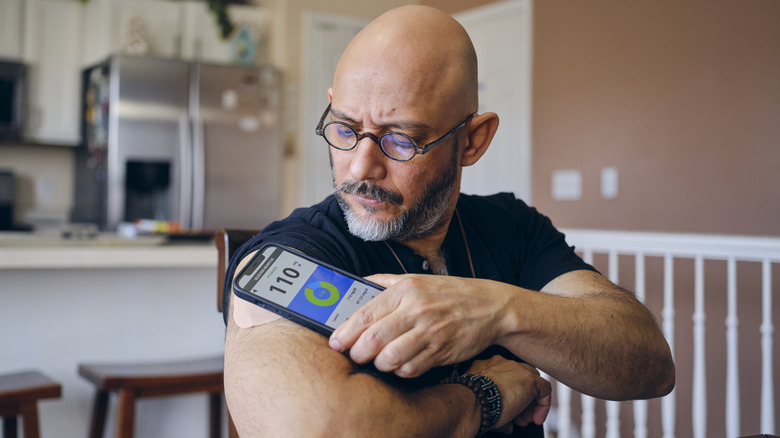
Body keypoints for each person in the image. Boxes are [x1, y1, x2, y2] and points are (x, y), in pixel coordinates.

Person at [222, 5, 675, 437]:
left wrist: (495, 310)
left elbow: (650, 366)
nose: (359, 168)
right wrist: (483, 397)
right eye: (344, 129)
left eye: (399, 140)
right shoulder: (292, 253)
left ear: (473, 141)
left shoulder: (512, 226)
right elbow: (321, 430)